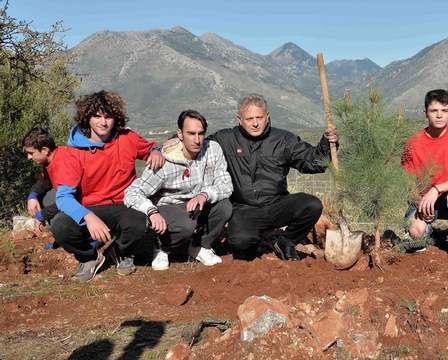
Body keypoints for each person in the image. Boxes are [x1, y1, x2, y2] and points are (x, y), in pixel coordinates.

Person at [50, 90, 165, 282]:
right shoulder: (73, 152)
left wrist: (155, 150)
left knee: (138, 222)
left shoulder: (127, 138)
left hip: (123, 203)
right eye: (97, 116)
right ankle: (89, 257)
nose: (103, 122)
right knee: (60, 226)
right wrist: (87, 216)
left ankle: (121, 251)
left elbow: (150, 147)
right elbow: (63, 197)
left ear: (116, 118)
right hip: (90, 206)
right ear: (87, 118)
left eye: (108, 116)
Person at [209, 94, 338, 261]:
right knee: (242, 244)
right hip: (244, 208)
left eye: (259, 117)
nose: (255, 123)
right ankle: (264, 239)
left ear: (267, 117)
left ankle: (285, 240)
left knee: (311, 205)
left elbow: (313, 163)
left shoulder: (283, 139)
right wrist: (173, 143)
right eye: (249, 119)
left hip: (277, 204)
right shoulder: (225, 139)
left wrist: (327, 143)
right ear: (239, 119)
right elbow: (197, 146)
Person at [124, 110, 233, 270]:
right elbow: (132, 193)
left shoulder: (213, 150)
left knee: (224, 207)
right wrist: (151, 212)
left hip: (197, 204)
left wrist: (204, 195)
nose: (197, 140)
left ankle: (200, 246)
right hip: (168, 208)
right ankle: (162, 248)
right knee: (185, 224)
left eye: (201, 134)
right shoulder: (164, 162)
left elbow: (226, 185)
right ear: (180, 134)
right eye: (191, 133)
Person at [400, 89, 448, 258]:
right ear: (425, 113)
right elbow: (408, 181)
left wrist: (436, 189)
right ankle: (428, 230)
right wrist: (419, 203)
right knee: (416, 233)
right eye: (434, 111)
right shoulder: (413, 142)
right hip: (424, 200)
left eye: (444, 111)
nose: (439, 115)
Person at [22, 127, 60, 233]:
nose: (29, 157)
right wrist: (33, 196)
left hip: (93, 205)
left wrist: (41, 215)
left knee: (62, 227)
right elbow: (45, 181)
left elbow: (70, 200)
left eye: (31, 153)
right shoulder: (50, 161)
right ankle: (58, 232)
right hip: (73, 201)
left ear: (45, 150)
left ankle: (69, 237)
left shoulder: (63, 163)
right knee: (43, 197)